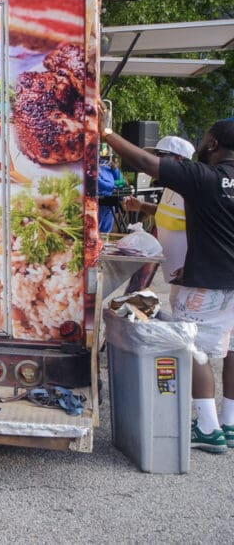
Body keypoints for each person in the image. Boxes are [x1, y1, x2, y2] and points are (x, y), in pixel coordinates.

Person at [101, 114, 234, 453]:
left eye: (204, 137)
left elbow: (145, 162)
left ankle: (208, 427)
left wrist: (106, 132)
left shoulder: (204, 177)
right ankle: (229, 422)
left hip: (209, 281)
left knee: (194, 348)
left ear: (212, 144)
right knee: (232, 350)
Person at [120, 135, 195, 284]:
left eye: (160, 155)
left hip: (186, 271)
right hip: (172, 268)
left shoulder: (191, 189)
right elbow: (166, 212)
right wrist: (141, 206)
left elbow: (205, 229)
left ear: (179, 159)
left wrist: (192, 265)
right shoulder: (171, 185)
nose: (156, 161)